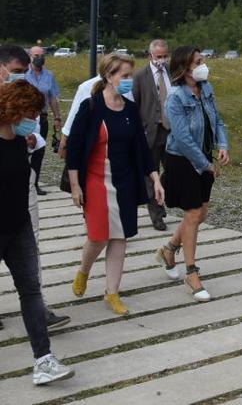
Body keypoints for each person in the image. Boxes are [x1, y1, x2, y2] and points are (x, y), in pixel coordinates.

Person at [65, 53, 164, 315]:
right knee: (98, 236)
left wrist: (155, 178)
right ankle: (84, 270)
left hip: (125, 181)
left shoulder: (130, 110)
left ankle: (112, 292)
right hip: (96, 180)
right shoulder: (90, 107)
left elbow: (142, 149)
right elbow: (74, 150)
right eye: (125, 76)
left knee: (120, 237)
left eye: (131, 75)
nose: (129, 80)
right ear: (109, 76)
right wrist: (75, 186)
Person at [0, 78, 75, 385]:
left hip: (19, 230)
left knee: (31, 291)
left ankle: (44, 360)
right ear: (14, 110)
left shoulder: (21, 142)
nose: (35, 120)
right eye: (31, 113)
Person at [0, 45, 70, 332]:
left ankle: (38, 309)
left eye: (24, 72)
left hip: (20, 179)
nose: (21, 78)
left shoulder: (21, 93)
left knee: (31, 244)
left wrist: (27, 138)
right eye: (15, 72)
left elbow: (30, 132)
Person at [157, 46, 229, 300]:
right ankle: (191, 272)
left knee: (200, 214)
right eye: (198, 61)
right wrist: (204, 164)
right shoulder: (175, 98)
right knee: (193, 213)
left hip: (204, 158)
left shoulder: (206, 90)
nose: (203, 65)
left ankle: (169, 248)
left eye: (202, 60)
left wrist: (222, 145)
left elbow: (217, 121)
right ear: (184, 68)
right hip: (182, 160)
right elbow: (183, 138)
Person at [132, 40, 172, 231]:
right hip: (151, 131)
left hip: (171, 130)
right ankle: (156, 215)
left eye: (165, 56)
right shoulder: (140, 76)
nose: (162, 60)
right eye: (159, 57)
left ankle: (160, 197)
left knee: (172, 170)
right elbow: (134, 105)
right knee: (151, 173)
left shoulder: (173, 73)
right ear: (150, 56)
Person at [25, 46, 62, 195]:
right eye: (36, 55)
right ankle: (23, 181)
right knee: (25, 150)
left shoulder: (49, 75)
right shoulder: (22, 74)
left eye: (42, 55)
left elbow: (52, 97)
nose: (39, 57)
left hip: (43, 118)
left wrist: (57, 117)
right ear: (29, 56)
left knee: (39, 151)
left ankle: (35, 183)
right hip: (25, 118)